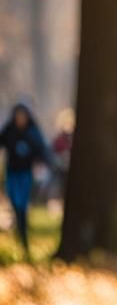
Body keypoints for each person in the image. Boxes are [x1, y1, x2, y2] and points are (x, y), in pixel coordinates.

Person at [0, 102, 52, 254]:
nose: (20, 119)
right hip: (11, 173)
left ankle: (23, 235)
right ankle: (19, 229)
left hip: (25, 174)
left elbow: (42, 150)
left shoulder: (32, 133)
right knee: (14, 201)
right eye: (18, 116)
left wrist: (45, 164)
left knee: (22, 204)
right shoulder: (10, 131)